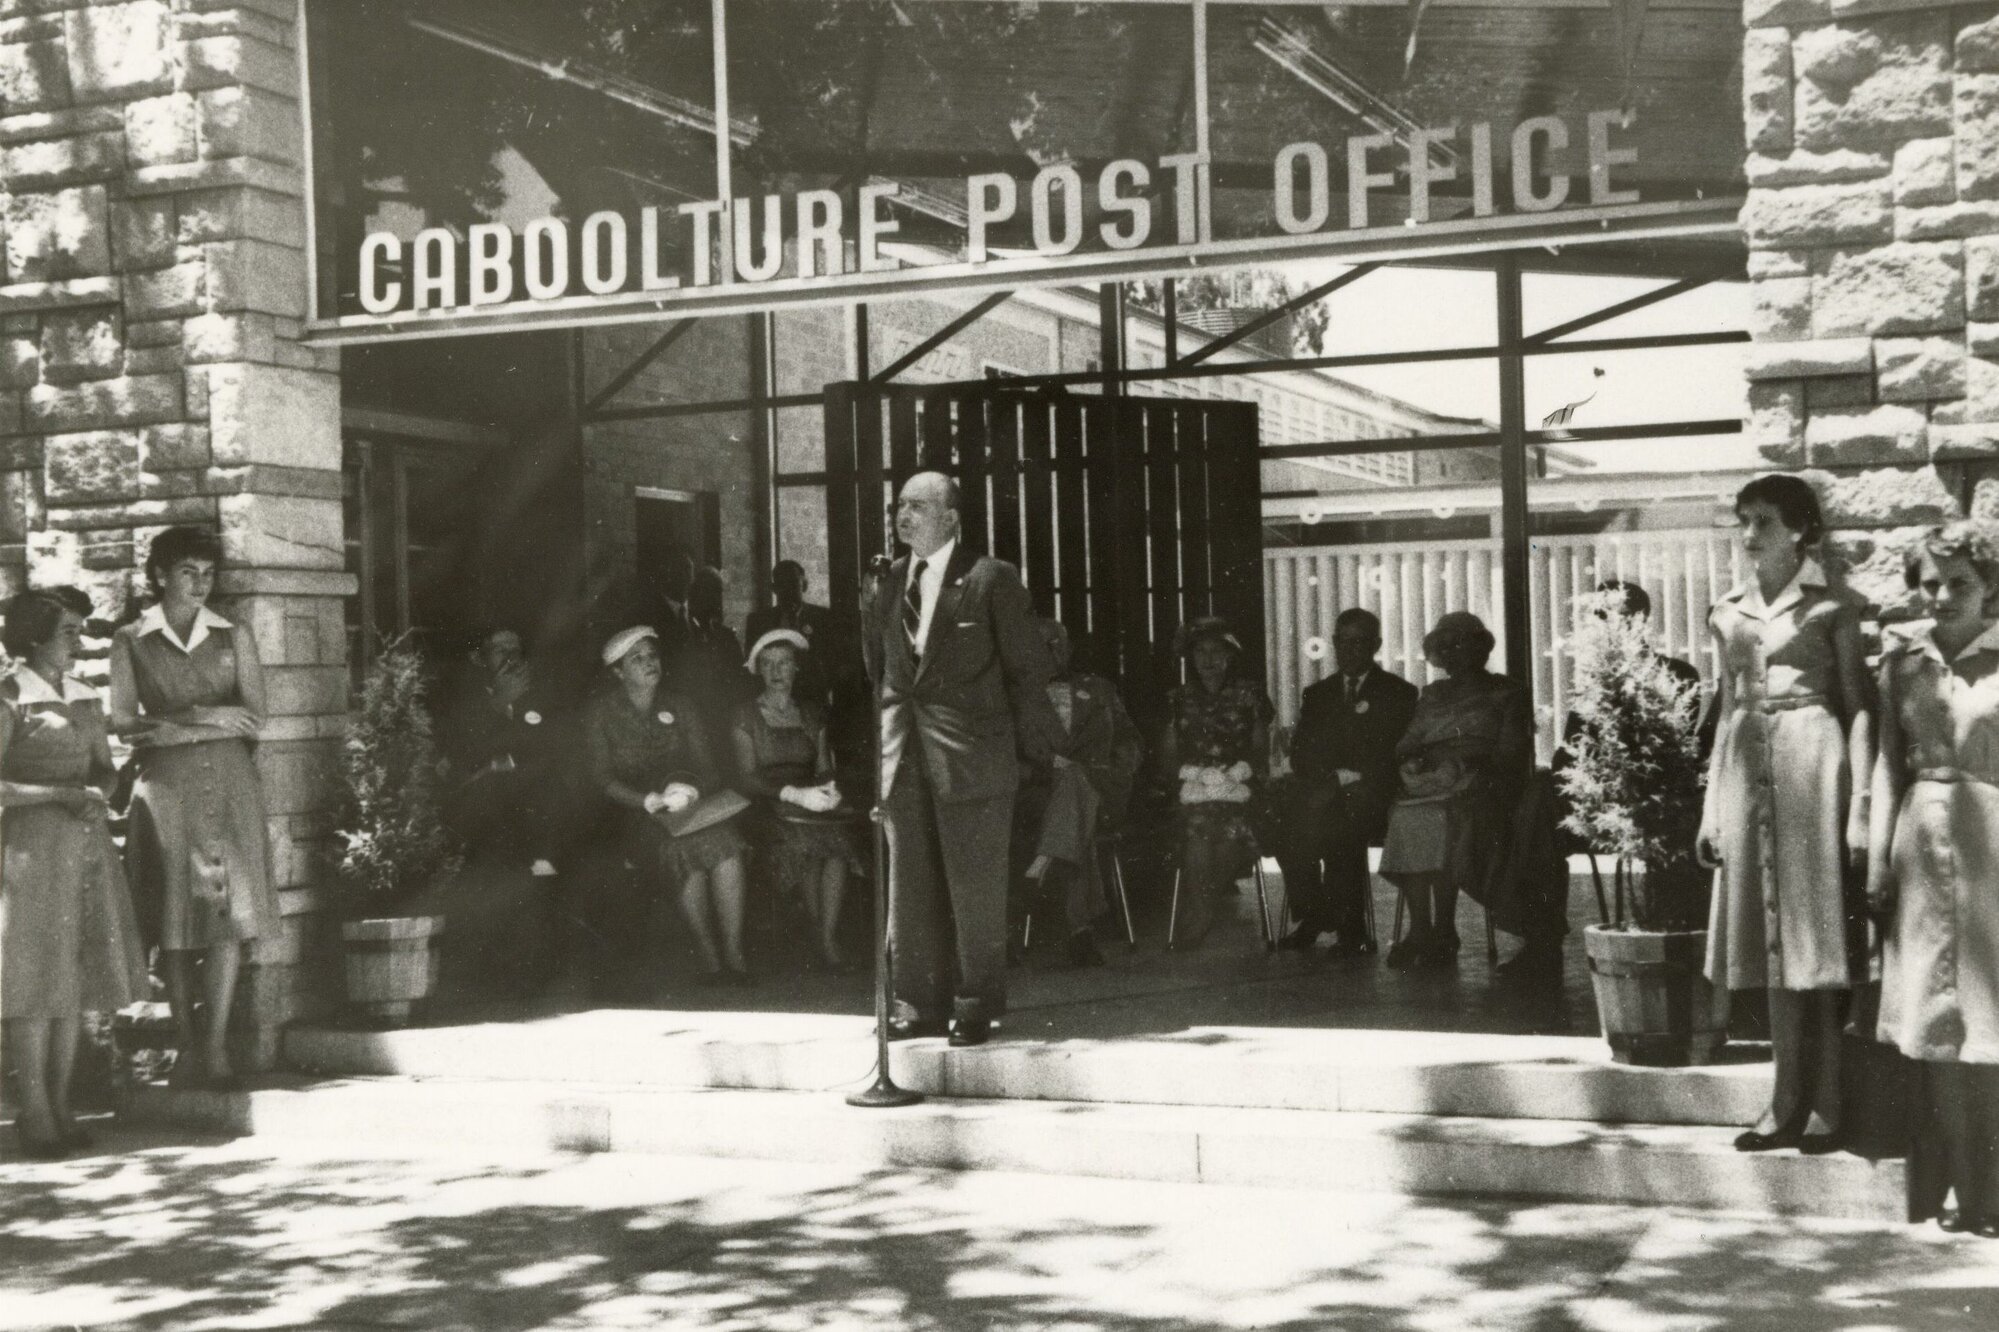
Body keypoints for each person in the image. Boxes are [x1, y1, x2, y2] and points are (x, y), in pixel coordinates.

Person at [1697, 474, 1872, 1155]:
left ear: (1800, 530)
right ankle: (1781, 1102)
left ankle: (1827, 1102)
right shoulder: (1725, 611)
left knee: (1816, 941)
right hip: (1747, 776)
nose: (1747, 535)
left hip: (1813, 771)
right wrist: (1711, 809)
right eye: (1741, 521)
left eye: (1763, 522)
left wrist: (1858, 805)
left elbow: (1858, 707)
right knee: (1768, 949)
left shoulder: (1832, 608)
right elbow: (1724, 711)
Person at [864, 470, 1061, 1047]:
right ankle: (915, 1002)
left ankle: (976, 1002)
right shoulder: (889, 579)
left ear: (951, 517)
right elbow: (880, 672)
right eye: (899, 506)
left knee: (974, 889)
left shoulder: (990, 577)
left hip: (974, 757)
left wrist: (1034, 755)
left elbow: (1027, 670)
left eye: (918, 507)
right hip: (905, 754)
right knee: (910, 884)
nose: (904, 516)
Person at [111, 527, 279, 1091]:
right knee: (176, 922)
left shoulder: (234, 635)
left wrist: (175, 725)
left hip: (230, 785)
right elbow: (126, 723)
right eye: (188, 572)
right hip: (168, 792)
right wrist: (203, 720)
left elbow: (254, 715)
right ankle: (184, 1047)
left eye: (208, 573)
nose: (201, 583)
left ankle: (214, 1051)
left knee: (228, 919)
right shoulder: (132, 639)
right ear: (159, 574)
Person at [1867, 522, 1999, 1233]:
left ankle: (1991, 1192)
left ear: (1988, 589)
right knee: (1935, 1026)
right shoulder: (1901, 664)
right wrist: (1874, 858)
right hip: (1920, 844)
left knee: (1990, 1020)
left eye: (1958, 583)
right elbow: (1888, 763)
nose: (1940, 595)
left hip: (1992, 848)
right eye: (1928, 581)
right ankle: (1954, 1187)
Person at [1, 591, 147, 1158]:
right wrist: (55, 795)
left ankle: (61, 1104)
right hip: (27, 854)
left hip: (84, 851)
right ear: (35, 638)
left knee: (70, 979)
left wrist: (101, 793)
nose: (78, 642)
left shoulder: (86, 699)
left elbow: (105, 772)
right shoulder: (11, 698)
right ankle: (33, 1108)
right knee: (31, 981)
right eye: (67, 632)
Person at [1527, 580, 1706, 978]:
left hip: (1653, 802)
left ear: (1640, 621)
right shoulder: (1591, 681)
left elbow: (1676, 751)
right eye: (1599, 618)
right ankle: (1540, 938)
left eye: (1616, 617)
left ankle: (1671, 937)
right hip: (1596, 803)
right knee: (1539, 803)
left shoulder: (1676, 673)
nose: (1607, 626)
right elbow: (1571, 749)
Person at [581, 625, 752, 990]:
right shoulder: (601, 713)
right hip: (634, 814)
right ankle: (709, 956)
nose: (649, 663)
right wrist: (646, 801)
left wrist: (689, 790)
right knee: (681, 849)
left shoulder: (680, 704)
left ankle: (735, 957)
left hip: (689, 805)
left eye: (652, 655)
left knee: (726, 846)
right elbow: (601, 778)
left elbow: (708, 768)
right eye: (636, 659)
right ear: (617, 671)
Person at [1378, 611, 1533, 970]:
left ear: (1482, 648)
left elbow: (1510, 753)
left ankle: (1444, 928)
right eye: (1447, 647)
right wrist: (1417, 760)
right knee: (1406, 813)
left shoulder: (1507, 692)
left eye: (1464, 644)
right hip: (1434, 779)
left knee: (1444, 816)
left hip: (1483, 782)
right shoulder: (1433, 694)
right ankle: (1420, 929)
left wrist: (1463, 759)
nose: (1455, 654)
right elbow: (1406, 743)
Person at [1274, 608, 1418, 957]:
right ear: (1334, 643)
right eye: (1343, 641)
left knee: (1341, 824)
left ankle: (1350, 929)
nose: (1350, 650)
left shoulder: (1398, 692)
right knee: (1281, 822)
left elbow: (1393, 753)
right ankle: (1316, 913)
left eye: (1360, 642)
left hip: (1372, 792)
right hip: (1323, 790)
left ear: (1376, 644)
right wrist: (1322, 780)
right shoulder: (1317, 693)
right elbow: (1301, 753)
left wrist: (1346, 778)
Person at [1011, 617, 1143, 968]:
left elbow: (1131, 739)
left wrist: (1119, 769)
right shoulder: (1015, 697)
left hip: (1101, 791)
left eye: (1057, 642)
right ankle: (1079, 930)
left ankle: (1044, 861)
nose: (1051, 650)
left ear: (1068, 648)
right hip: (1038, 795)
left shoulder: (1100, 689)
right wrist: (1043, 769)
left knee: (1077, 786)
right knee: (1074, 818)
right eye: (1041, 644)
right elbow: (1004, 756)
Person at [731, 629, 858, 972]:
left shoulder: (812, 713)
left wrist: (830, 790)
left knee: (837, 846)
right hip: (766, 806)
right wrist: (790, 793)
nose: (776, 672)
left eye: (784, 663)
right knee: (805, 845)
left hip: (810, 806)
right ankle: (821, 937)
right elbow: (746, 776)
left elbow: (823, 768)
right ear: (757, 670)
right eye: (768, 664)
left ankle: (826, 936)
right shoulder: (745, 715)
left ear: (796, 668)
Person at [1160, 615, 1277, 951]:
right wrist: (1191, 774)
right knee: (1198, 826)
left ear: (1230, 656)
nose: (1208, 661)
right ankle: (1202, 911)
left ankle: (1201, 911)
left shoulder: (1250, 694)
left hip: (1238, 788)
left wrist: (1239, 772)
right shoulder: (1177, 698)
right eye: (1200, 653)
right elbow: (1167, 756)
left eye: (1216, 652)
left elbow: (1260, 750)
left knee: (1230, 825)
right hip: (1193, 791)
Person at [440, 626, 566, 876]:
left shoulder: (541, 696)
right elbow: (460, 760)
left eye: (515, 650)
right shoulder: (462, 700)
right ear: (479, 658)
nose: (511, 657)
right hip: (482, 812)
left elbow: (549, 749)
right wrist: (498, 702)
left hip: (531, 805)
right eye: (500, 650)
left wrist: (498, 763)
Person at [746, 559, 837, 709]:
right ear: (774, 588)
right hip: (773, 705)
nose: (788, 590)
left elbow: (832, 664)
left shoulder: (823, 619)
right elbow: (753, 667)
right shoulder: (758, 622)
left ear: (805, 585)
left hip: (813, 703)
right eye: (782, 584)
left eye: (793, 583)